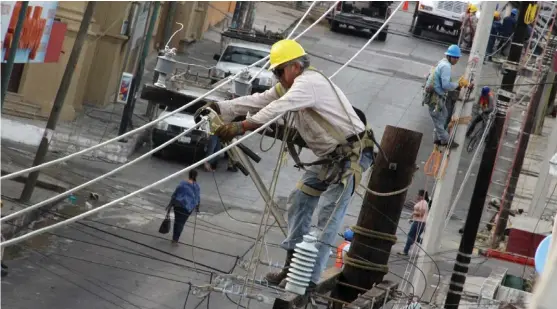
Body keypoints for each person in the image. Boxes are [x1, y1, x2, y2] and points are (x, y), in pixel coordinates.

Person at [197, 39, 374, 290]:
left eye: (279, 71)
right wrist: (221, 107)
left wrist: (241, 126)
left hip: (352, 157)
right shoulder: (289, 86)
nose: (277, 77)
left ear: (294, 67)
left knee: (327, 217)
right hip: (332, 158)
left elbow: (277, 108)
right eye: (275, 72)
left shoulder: (308, 83)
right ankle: (292, 269)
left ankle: (307, 282)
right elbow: (261, 100)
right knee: (299, 201)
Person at [423, 44, 472, 149]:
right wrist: (458, 85)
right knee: (438, 120)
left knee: (444, 115)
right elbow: (445, 85)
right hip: (434, 98)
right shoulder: (446, 66)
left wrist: (456, 83)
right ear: (450, 57)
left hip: (436, 96)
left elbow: (444, 81)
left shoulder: (442, 62)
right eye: (455, 57)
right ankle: (446, 141)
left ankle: (438, 138)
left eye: (458, 58)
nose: (457, 60)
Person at [168, 170, 200, 244]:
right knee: (181, 223)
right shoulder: (196, 186)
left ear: (189, 175)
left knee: (177, 221)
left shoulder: (182, 183)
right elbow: (197, 198)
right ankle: (175, 239)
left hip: (178, 205)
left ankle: (174, 237)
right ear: (196, 176)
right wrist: (197, 208)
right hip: (188, 207)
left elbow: (176, 193)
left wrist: (170, 204)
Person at [398, 190, 429, 256]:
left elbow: (421, 214)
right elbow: (416, 212)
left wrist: (413, 216)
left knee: (410, 236)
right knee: (416, 238)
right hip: (418, 222)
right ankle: (428, 246)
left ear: (421, 196)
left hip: (419, 222)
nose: (416, 196)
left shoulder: (423, 203)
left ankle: (405, 251)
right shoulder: (421, 202)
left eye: (418, 194)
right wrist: (411, 218)